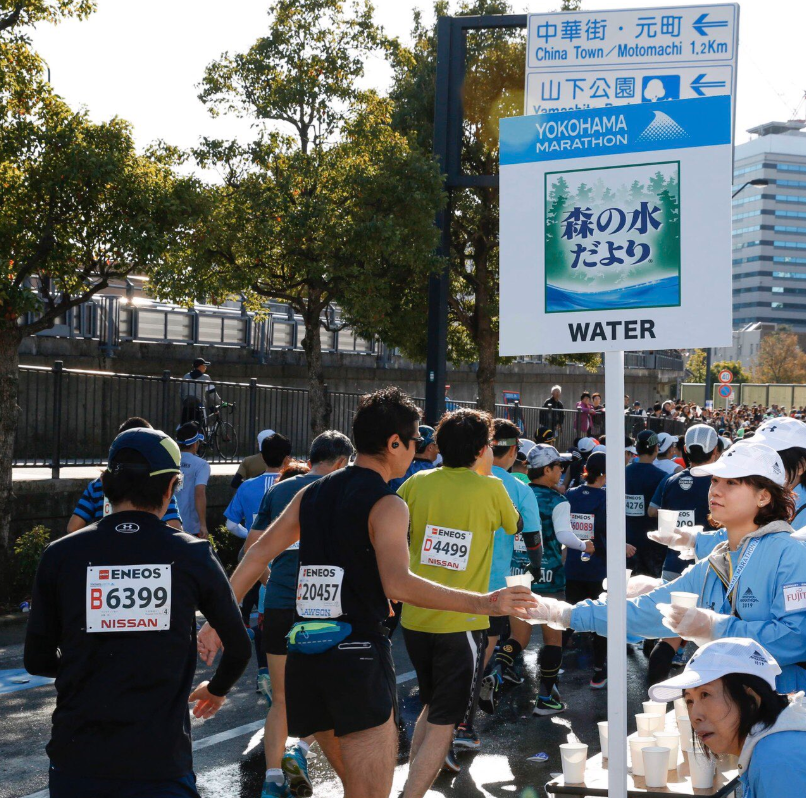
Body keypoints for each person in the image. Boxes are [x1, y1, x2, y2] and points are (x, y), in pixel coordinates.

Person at [196, 388, 536, 798]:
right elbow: (398, 584)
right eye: (414, 443)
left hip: (306, 654)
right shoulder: (388, 503)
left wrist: (219, 621)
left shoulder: (312, 491)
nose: (416, 451)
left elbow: (256, 555)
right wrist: (485, 602)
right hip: (357, 658)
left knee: (356, 789)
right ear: (394, 443)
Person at [24, 427, 252, 798]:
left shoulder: (61, 554)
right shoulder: (191, 554)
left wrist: (90, 664)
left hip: (77, 758)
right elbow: (239, 647)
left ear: (107, 486)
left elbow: (36, 658)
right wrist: (217, 689)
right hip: (159, 762)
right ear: (170, 488)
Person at [527, 440, 806, 695]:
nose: (715, 490)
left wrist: (714, 627)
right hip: (730, 709)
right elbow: (645, 612)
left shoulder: (791, 554)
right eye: (716, 480)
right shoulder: (717, 560)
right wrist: (563, 614)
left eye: (732, 483)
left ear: (764, 497)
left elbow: (795, 639)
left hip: (783, 709)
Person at [397, 409, 524, 788]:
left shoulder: (417, 483)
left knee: (432, 708)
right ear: (483, 449)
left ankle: (408, 787)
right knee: (444, 721)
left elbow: (397, 526)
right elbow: (513, 523)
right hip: (464, 621)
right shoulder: (492, 488)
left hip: (415, 616)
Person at [244, 431, 355, 798]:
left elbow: (252, 549)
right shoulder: (341, 489)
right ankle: (303, 752)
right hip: (324, 606)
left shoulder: (278, 491)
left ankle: (273, 779)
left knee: (281, 697)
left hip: (277, 602)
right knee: (328, 693)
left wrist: (269, 580)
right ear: (340, 462)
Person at [649, 638, 806, 798]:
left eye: (705, 694)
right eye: (689, 700)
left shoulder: (777, 761)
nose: (695, 716)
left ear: (751, 699)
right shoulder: (773, 746)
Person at [477, 420, 542, 722]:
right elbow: (532, 537)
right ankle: (462, 725)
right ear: (514, 450)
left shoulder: (467, 480)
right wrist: (537, 567)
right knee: (483, 651)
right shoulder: (518, 487)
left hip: (452, 580)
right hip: (496, 585)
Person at [646, 424, 721, 682]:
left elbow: (654, 512)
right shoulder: (721, 482)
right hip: (711, 568)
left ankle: (653, 698)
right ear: (716, 451)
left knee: (669, 633)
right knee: (713, 639)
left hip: (673, 564)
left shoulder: (671, 480)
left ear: (686, 450)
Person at [526, 444, 593, 716]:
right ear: (547, 470)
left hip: (518, 573)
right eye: (559, 467)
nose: (562, 471)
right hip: (550, 575)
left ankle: (498, 676)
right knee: (552, 638)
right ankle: (545, 698)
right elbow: (565, 536)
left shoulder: (519, 493)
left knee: (517, 638)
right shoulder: (558, 501)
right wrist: (585, 546)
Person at [563, 452, 633, 689]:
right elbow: (608, 534)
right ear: (606, 473)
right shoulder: (607, 498)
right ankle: (599, 673)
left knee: (569, 617)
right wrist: (621, 547)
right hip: (598, 569)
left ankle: (554, 667)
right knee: (602, 620)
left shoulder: (570, 494)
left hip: (572, 565)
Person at [67, 417, 182, 532]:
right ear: (169, 488)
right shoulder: (161, 485)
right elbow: (175, 528)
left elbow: (73, 528)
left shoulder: (95, 486)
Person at [224, 433, 292, 541]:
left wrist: (250, 535)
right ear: (286, 458)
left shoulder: (246, 486)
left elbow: (230, 525)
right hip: (288, 553)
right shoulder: (296, 484)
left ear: (263, 457)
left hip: (256, 551)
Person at [625, 430, 668, 577]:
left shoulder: (623, 473)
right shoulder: (662, 477)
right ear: (656, 448)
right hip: (653, 542)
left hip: (626, 539)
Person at [175, 421, 211, 539]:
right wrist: (203, 525)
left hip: (169, 521)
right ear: (195, 443)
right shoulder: (201, 465)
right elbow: (199, 493)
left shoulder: (170, 461)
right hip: (191, 526)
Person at [388, 425, 438, 491]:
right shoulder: (434, 474)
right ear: (430, 447)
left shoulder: (397, 467)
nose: (438, 449)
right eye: (436, 445)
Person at [180, 357, 220, 425]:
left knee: (184, 426)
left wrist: (184, 401)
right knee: (201, 426)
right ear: (200, 366)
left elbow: (180, 391)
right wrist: (221, 402)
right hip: (199, 406)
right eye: (204, 365)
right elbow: (212, 393)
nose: (206, 367)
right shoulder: (205, 377)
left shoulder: (186, 376)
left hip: (186, 405)